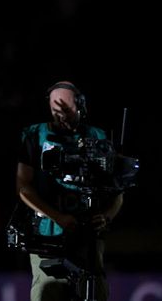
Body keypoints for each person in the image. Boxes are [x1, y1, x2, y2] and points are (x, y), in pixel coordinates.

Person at [15, 81, 123, 301]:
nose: (61, 115)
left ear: (81, 106)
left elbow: (117, 189)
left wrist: (107, 216)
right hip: (47, 235)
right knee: (48, 291)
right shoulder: (35, 135)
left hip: (88, 237)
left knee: (95, 292)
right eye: (56, 110)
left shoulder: (98, 136)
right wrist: (57, 216)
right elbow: (23, 187)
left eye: (67, 109)